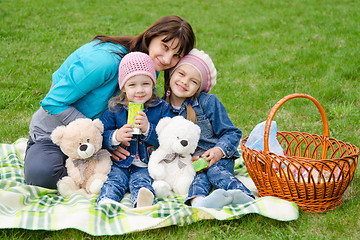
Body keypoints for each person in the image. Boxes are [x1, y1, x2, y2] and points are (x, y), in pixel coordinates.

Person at [24, 15, 195, 189]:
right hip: (54, 134)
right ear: (151, 36)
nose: (167, 59)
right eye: (165, 46)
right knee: (43, 176)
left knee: (136, 170)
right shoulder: (104, 62)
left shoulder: (150, 68)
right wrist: (100, 139)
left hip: (101, 142)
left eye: (176, 56)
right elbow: (52, 102)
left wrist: (111, 141)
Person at [164, 48, 255, 208]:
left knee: (213, 171)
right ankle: (199, 201)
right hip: (192, 164)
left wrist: (219, 151)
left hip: (218, 159)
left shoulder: (207, 102)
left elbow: (232, 132)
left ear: (199, 87)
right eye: (181, 74)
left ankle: (243, 194)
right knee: (197, 177)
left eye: (193, 81)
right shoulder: (161, 109)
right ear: (171, 74)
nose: (185, 82)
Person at [97, 52, 170, 207]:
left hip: (146, 163)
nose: (139, 90)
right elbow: (101, 134)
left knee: (142, 181)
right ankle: (107, 201)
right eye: (132, 85)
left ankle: (142, 202)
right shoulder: (115, 108)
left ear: (153, 84)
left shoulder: (161, 108)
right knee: (115, 179)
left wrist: (148, 129)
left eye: (145, 84)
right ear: (123, 87)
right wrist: (116, 136)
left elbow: (168, 138)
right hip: (121, 163)